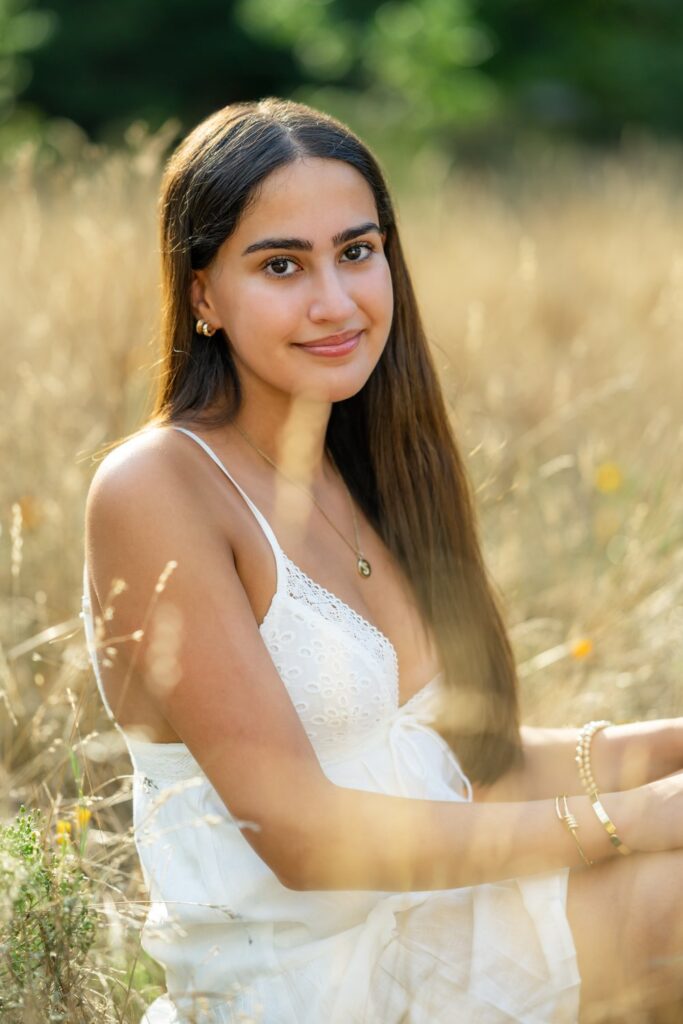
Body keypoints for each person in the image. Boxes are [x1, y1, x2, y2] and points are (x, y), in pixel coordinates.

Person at [81, 97, 683, 1024]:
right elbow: (303, 840)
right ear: (201, 293)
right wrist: (622, 823)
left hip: (441, 927)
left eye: (356, 252)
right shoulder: (159, 487)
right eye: (282, 265)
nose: (335, 300)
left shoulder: (368, 470)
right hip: (310, 986)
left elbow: (454, 765)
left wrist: (668, 750)